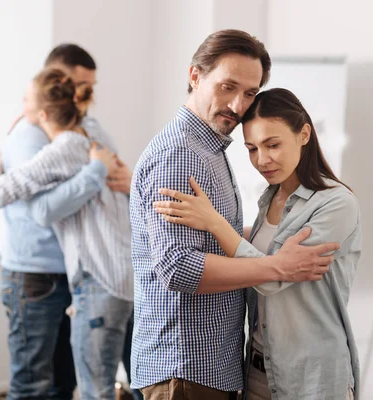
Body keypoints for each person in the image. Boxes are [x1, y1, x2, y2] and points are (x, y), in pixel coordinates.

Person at [129, 30, 340, 400]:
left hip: (207, 366)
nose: (238, 105)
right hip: (187, 367)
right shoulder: (181, 156)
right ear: (195, 76)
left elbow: (207, 239)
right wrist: (278, 266)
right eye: (227, 87)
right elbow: (178, 267)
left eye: (249, 93)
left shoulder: (209, 147)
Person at [153, 88, 361, 400]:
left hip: (312, 379)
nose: (261, 160)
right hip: (257, 372)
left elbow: (273, 277)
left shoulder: (336, 203)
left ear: (304, 134)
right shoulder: (270, 199)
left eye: (272, 144)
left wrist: (214, 223)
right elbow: (270, 256)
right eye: (251, 149)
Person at [0, 67, 134, 399]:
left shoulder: (63, 147)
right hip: (118, 277)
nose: (20, 107)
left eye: (25, 100)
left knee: (94, 389)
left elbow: (19, 204)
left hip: (98, 281)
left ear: (43, 113)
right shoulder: (94, 139)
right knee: (104, 383)